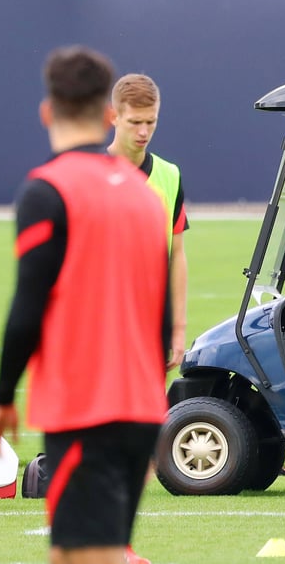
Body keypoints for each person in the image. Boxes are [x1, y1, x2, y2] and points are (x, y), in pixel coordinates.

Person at [0, 46, 172, 564]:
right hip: (139, 408)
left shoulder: (48, 190)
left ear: (47, 111)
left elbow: (28, 304)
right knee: (76, 554)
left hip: (85, 409)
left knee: (91, 557)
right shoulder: (144, 194)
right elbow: (161, 313)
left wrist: (2, 397)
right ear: (109, 115)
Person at [108, 73, 189, 370]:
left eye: (151, 122)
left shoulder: (170, 175)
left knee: (150, 416)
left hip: (152, 326)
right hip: (100, 326)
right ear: (113, 117)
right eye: (135, 122)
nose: (143, 131)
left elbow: (177, 254)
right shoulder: (91, 175)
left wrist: (177, 328)